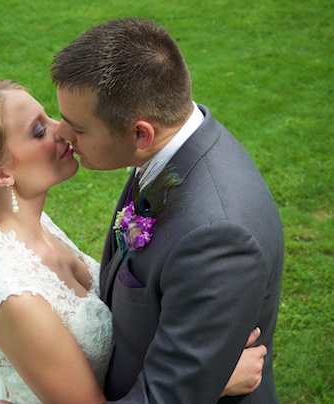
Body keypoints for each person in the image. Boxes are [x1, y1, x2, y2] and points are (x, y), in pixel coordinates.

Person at [0, 79, 267, 404]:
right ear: (2, 174)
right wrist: (211, 381)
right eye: (39, 130)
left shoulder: (36, 227)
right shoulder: (13, 295)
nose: (63, 130)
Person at [51, 17, 284, 403]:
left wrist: (205, 385)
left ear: (141, 133)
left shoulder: (219, 237)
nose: (61, 133)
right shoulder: (170, 150)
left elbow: (168, 396)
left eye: (79, 127)